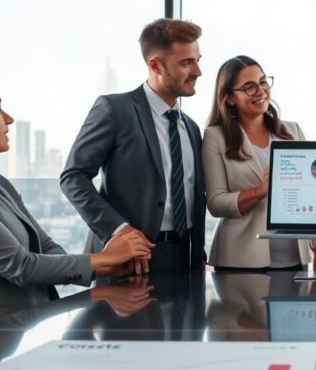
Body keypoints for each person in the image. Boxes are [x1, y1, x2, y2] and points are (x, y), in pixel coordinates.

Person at [0, 71, 151, 330]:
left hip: (31, 322)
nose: (9, 118)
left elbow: (49, 248)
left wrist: (112, 265)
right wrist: (109, 257)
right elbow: (21, 267)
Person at [62, 18, 207, 275]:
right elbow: (73, 177)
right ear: (155, 65)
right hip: (129, 259)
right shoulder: (114, 110)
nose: (198, 71)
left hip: (185, 260)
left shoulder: (192, 128)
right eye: (186, 63)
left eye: (198, 60)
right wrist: (119, 230)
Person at [203, 56, 316, 271]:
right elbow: (216, 203)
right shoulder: (215, 137)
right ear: (230, 98)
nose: (260, 90)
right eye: (249, 87)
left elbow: (308, 197)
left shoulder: (292, 131)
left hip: (295, 259)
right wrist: (260, 191)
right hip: (240, 258)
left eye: (262, 81)